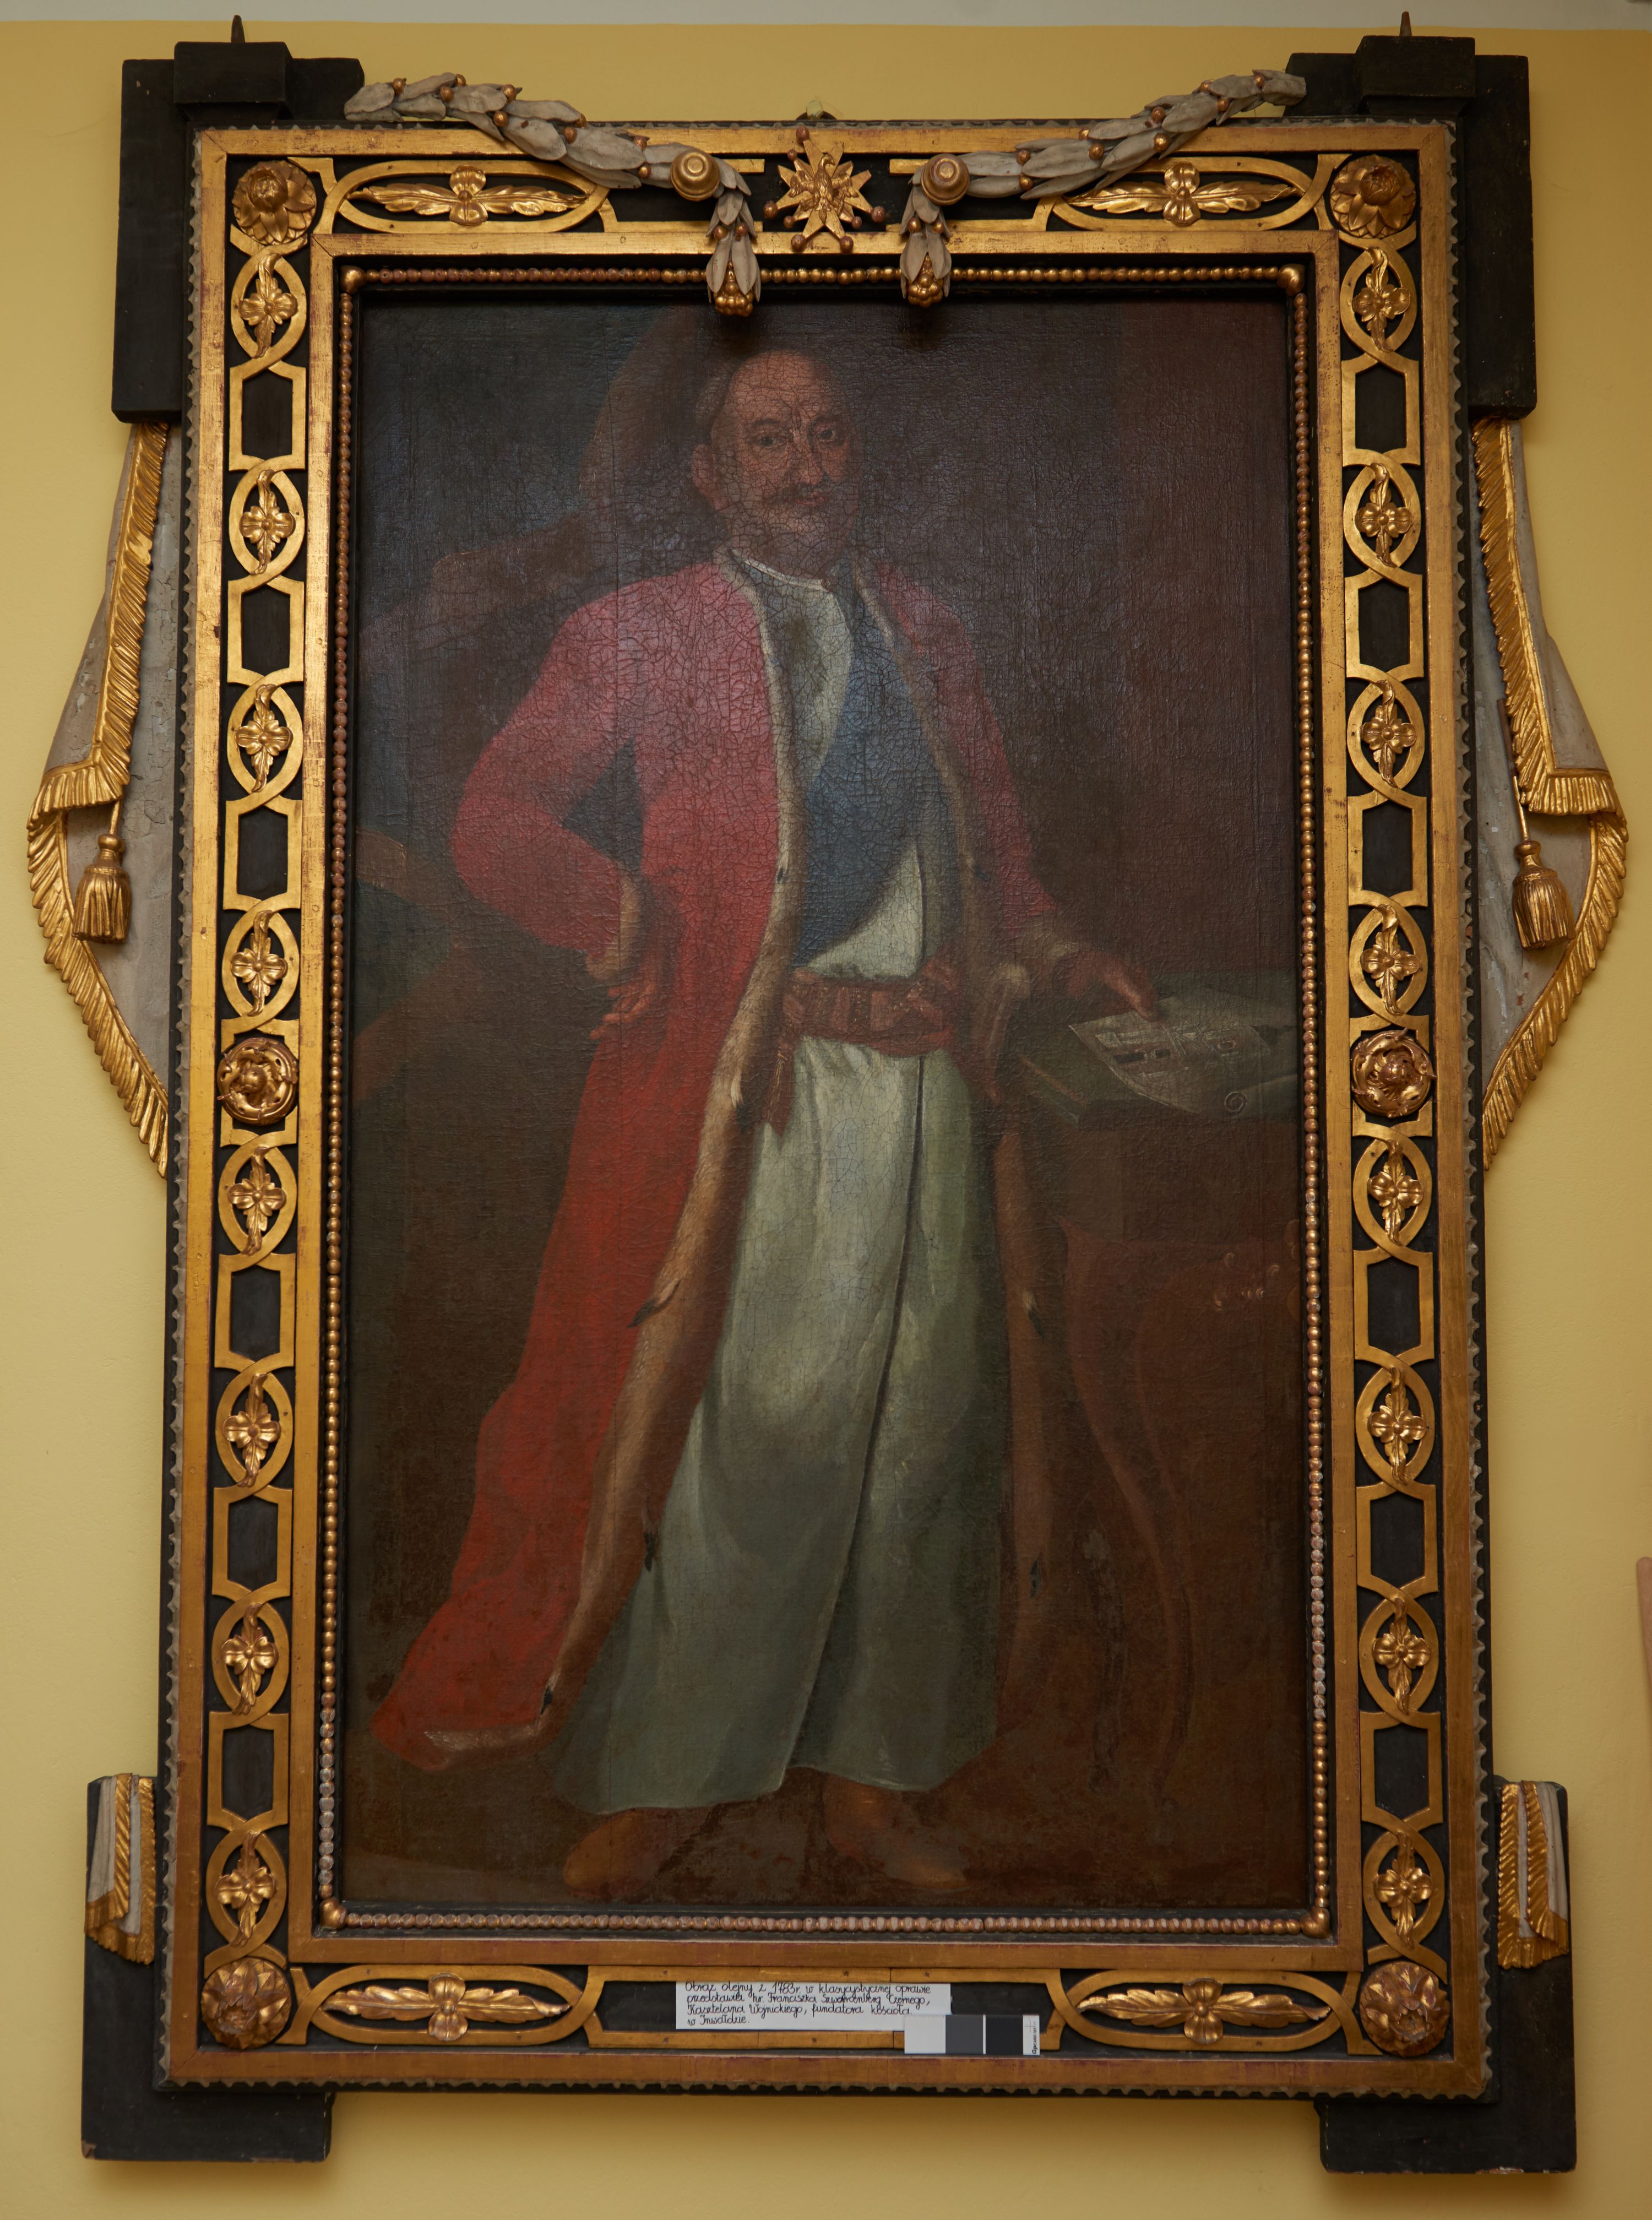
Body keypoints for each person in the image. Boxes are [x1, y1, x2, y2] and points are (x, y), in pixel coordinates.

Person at [372, 348, 1151, 1898]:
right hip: (749, 1103)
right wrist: (620, 919)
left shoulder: (931, 629)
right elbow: (492, 820)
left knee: (922, 1443)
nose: (808, 464)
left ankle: (876, 1786)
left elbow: (996, 850)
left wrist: (1059, 953)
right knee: (748, 1447)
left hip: (927, 1102)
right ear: (711, 477)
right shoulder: (639, 630)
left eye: (829, 433)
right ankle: (670, 1781)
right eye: (770, 439)